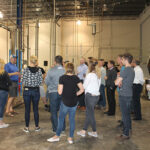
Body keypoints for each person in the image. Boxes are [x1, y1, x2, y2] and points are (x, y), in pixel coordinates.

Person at [47, 63, 84, 144]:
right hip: (74, 103)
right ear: (73, 69)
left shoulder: (62, 78)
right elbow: (82, 89)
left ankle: (57, 136)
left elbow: (59, 92)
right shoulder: (76, 77)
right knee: (72, 120)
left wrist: (58, 87)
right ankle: (70, 138)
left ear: (66, 69)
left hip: (65, 102)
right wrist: (76, 94)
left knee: (61, 119)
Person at [77, 62, 101, 138]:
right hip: (96, 96)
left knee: (90, 115)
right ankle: (84, 130)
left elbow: (84, 86)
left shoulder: (90, 75)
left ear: (90, 68)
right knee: (89, 114)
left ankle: (94, 131)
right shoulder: (98, 75)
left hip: (90, 97)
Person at [115, 53, 135, 141]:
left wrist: (118, 79)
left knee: (125, 115)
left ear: (126, 60)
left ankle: (125, 134)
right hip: (128, 93)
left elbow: (116, 82)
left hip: (124, 95)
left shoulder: (126, 70)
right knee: (127, 114)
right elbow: (123, 82)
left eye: (122, 59)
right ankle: (129, 129)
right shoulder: (131, 69)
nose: (121, 61)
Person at [21, 56, 43, 132]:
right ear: (36, 62)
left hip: (27, 91)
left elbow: (22, 80)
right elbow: (40, 82)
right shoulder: (39, 70)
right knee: (35, 109)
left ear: (30, 61)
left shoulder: (25, 70)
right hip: (36, 91)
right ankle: (36, 127)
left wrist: (28, 83)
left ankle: (27, 127)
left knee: (27, 109)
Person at [45, 55, 65, 133]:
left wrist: (52, 85)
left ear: (55, 61)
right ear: (62, 62)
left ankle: (56, 129)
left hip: (53, 92)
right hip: (63, 93)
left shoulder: (51, 70)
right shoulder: (65, 71)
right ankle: (62, 128)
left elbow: (46, 82)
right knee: (62, 111)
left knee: (53, 111)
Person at [0, 59, 12, 128]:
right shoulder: (4, 73)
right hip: (3, 91)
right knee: (1, 107)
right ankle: (0, 123)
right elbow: (10, 83)